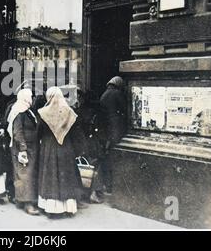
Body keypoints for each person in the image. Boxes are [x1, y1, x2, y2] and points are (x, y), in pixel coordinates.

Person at [37, 86, 88, 218]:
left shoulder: (43, 113)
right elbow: (77, 134)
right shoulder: (69, 112)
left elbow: (38, 133)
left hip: (49, 149)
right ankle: (68, 208)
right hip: (66, 149)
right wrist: (79, 151)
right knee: (67, 178)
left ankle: (52, 209)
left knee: (51, 178)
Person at [7, 89, 40, 215]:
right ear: (25, 97)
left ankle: (21, 200)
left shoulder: (26, 110)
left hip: (30, 147)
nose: (32, 98)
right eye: (30, 96)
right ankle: (28, 203)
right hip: (24, 148)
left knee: (24, 174)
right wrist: (23, 149)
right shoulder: (19, 111)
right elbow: (17, 132)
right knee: (26, 175)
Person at [99, 76, 127, 196]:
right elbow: (124, 109)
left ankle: (106, 185)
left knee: (106, 158)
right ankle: (113, 186)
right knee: (114, 157)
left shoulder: (104, 94)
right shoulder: (117, 94)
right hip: (116, 129)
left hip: (105, 130)